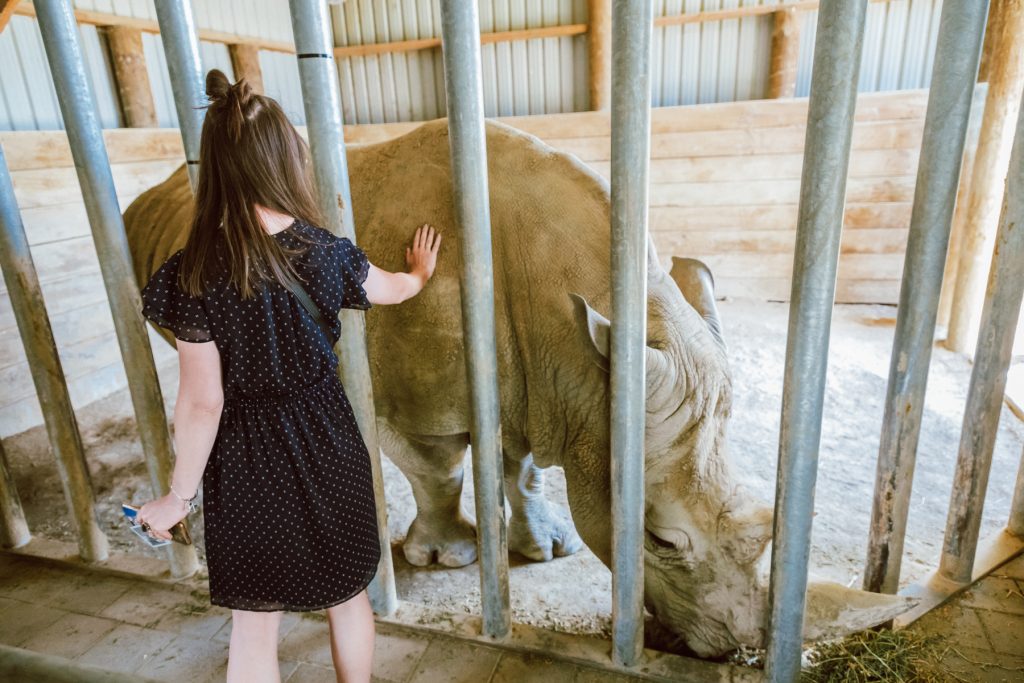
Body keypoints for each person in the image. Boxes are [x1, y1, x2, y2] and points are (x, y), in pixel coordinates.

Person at [134, 69, 441, 683]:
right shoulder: (328, 252)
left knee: (254, 622)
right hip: (328, 441)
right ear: (287, 161)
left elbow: (201, 404)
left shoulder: (193, 269)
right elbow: (391, 291)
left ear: (216, 167)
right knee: (347, 597)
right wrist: (419, 275)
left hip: (244, 461)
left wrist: (177, 498)